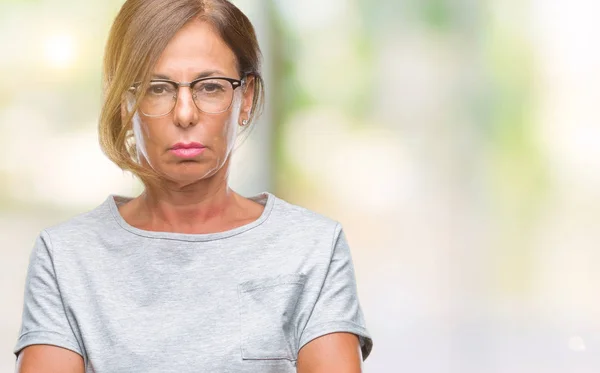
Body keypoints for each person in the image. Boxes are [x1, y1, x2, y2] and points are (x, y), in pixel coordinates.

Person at [13, 0, 373, 372]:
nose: (185, 114)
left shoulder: (312, 248)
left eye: (211, 87)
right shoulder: (66, 256)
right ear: (126, 101)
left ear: (245, 97)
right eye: (158, 88)